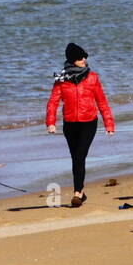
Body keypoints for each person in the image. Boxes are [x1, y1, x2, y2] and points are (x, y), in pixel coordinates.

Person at [46, 42, 114, 207]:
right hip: (70, 125)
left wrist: (109, 123)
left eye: (84, 56)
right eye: (79, 58)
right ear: (72, 60)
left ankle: (77, 193)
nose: (83, 59)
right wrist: (51, 122)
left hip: (88, 123)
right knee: (75, 159)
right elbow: (53, 102)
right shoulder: (61, 79)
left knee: (79, 156)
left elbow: (101, 101)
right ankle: (81, 193)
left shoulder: (92, 77)